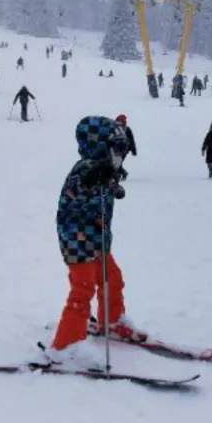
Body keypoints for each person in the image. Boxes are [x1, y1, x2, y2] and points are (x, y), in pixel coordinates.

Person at [48, 116, 146, 369]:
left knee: (112, 278)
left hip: (97, 241)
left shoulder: (103, 168)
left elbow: (105, 185)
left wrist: (111, 183)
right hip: (78, 242)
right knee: (82, 290)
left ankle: (111, 321)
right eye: (115, 149)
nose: (118, 155)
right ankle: (65, 346)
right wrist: (93, 179)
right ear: (99, 146)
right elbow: (77, 189)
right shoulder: (85, 169)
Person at [114, 114, 137, 180]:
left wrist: (133, 150)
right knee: (115, 162)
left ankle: (121, 174)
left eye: (122, 121)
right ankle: (120, 173)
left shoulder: (127, 130)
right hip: (116, 148)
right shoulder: (115, 128)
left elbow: (132, 140)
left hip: (125, 148)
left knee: (118, 162)